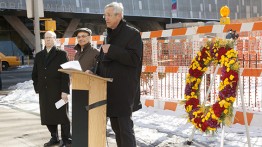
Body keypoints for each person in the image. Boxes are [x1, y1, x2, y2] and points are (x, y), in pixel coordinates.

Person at [95, 2, 143, 147]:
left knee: (125, 129)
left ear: (119, 15)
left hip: (124, 90)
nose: (106, 18)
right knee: (116, 128)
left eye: (109, 15)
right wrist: (94, 71)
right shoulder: (108, 35)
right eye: (105, 15)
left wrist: (112, 50)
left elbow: (135, 59)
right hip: (110, 89)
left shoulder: (132, 33)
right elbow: (103, 60)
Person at [32, 31, 71, 147]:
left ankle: (66, 139)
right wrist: (37, 87)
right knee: (47, 116)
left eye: (51, 37)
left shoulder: (61, 54)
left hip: (58, 92)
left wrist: (65, 91)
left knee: (62, 116)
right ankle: (54, 137)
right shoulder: (39, 55)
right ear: (44, 40)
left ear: (55, 39)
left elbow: (65, 74)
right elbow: (35, 74)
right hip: (44, 92)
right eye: (46, 38)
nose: (48, 39)